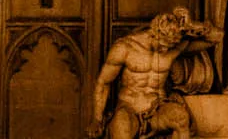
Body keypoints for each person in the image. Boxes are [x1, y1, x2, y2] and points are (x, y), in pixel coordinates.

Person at [89, 9, 220, 139]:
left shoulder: (174, 47)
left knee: (180, 117)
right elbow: (103, 82)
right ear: (154, 33)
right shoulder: (125, 48)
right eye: (163, 45)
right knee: (121, 126)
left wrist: (191, 25)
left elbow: (217, 36)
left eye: (168, 47)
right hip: (129, 108)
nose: (165, 50)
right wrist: (97, 119)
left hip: (157, 109)